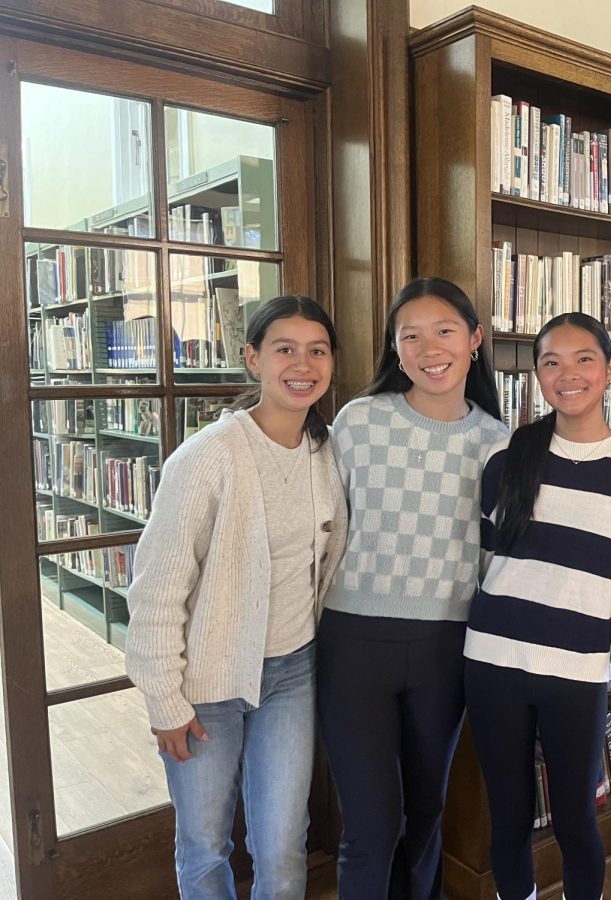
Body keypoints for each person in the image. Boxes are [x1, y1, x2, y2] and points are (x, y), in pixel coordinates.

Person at [126, 294, 347, 900]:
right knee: (204, 842)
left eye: (317, 350)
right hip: (206, 686)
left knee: (282, 844)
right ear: (252, 359)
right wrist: (163, 698)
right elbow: (156, 589)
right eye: (284, 349)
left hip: (292, 673)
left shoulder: (326, 453)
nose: (302, 364)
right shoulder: (207, 458)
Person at [316, 276, 507, 899]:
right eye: (411, 335)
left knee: (424, 816)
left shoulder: (500, 443)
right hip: (353, 644)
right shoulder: (358, 421)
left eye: (445, 330)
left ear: (474, 340)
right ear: (395, 350)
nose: (430, 347)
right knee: (371, 826)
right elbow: (322, 527)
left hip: (448, 649)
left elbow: (501, 560)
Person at [464, 312, 611, 900]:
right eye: (550, 362)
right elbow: (484, 557)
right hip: (493, 661)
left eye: (583, 360)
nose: (567, 374)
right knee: (508, 814)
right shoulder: (508, 457)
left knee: (577, 817)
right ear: (536, 376)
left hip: (576, 670)